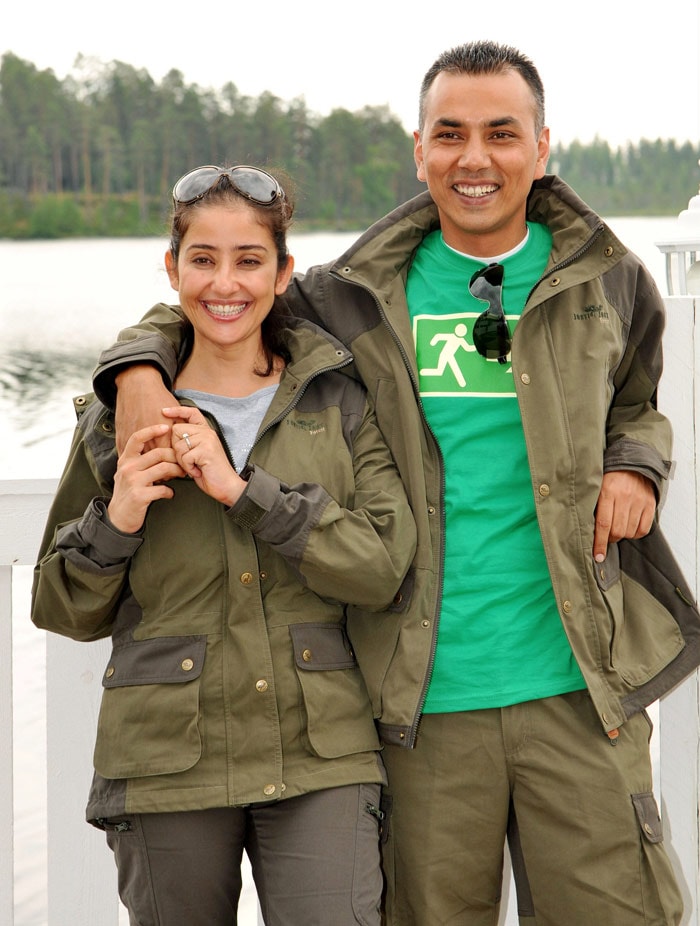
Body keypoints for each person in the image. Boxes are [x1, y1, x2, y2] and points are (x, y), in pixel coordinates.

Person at [89, 42, 700, 926]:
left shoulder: (607, 281)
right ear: (420, 150)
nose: (475, 158)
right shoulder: (349, 297)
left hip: (582, 689)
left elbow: (636, 400)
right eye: (449, 134)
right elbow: (216, 302)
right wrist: (136, 369)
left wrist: (636, 461)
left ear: (543, 145)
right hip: (415, 706)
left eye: (501, 133)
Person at [31, 163, 417, 926]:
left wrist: (247, 493)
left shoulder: (337, 395)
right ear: (172, 269)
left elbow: (380, 568)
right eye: (203, 259)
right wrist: (120, 517)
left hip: (322, 756)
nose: (225, 283)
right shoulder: (121, 415)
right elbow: (61, 605)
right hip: (165, 762)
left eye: (249, 260)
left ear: (283, 273)